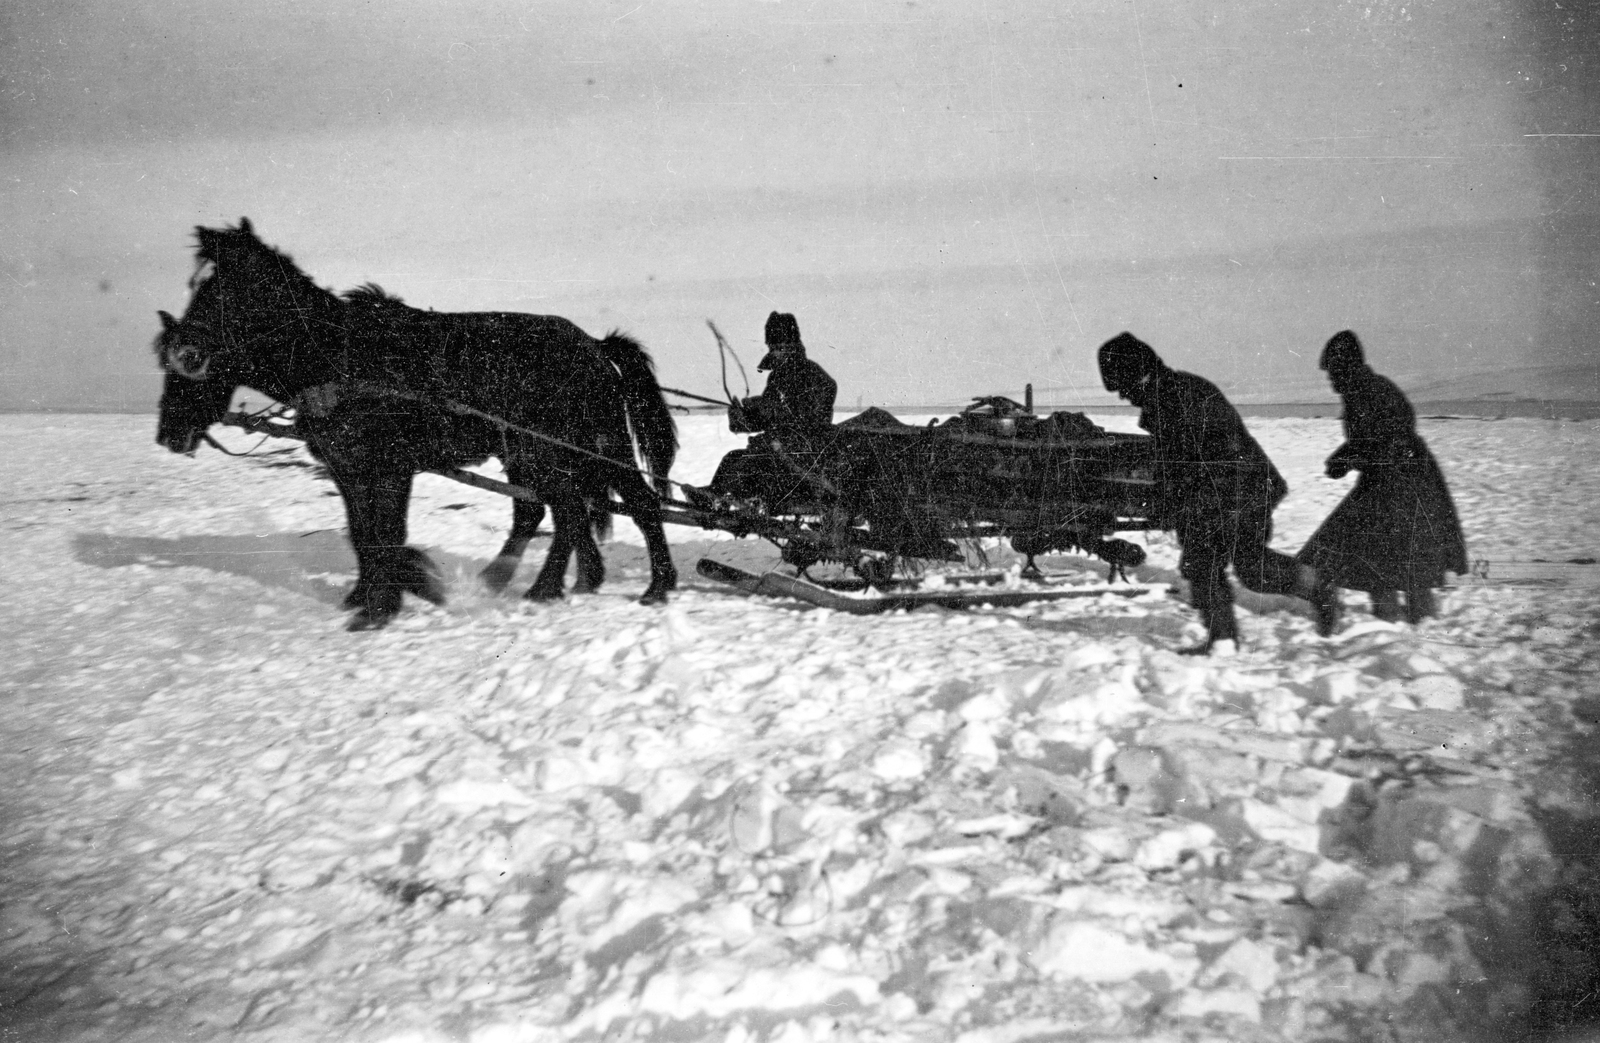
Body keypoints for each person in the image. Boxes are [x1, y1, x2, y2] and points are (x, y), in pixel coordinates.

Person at [1098, 332, 1339, 655]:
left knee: (1217, 565)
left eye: (1123, 388)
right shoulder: (1171, 391)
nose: (1123, 398)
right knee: (1240, 566)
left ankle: (1305, 592)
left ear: (1139, 375)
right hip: (1233, 489)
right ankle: (1232, 633)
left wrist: (1181, 506)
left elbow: (1197, 462)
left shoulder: (1176, 398)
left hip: (1236, 490)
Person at [1298, 330, 1467, 623]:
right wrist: (1346, 456)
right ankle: (1401, 625)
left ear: (1347, 367)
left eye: (1333, 373)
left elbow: (1391, 437)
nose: (1330, 382)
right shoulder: (1366, 389)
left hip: (1404, 481)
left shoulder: (1369, 390)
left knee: (1390, 556)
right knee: (1389, 555)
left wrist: (1349, 457)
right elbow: (1374, 438)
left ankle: (1408, 628)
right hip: (1393, 480)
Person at [700, 312, 839, 504]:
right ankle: (714, 498)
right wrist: (741, 417)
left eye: (779, 348)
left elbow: (811, 420)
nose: (774, 352)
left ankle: (729, 500)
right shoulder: (777, 377)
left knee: (752, 463)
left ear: (792, 346)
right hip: (777, 448)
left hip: (802, 454)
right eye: (772, 347)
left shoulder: (815, 377)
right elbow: (764, 419)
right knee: (732, 458)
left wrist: (768, 407)